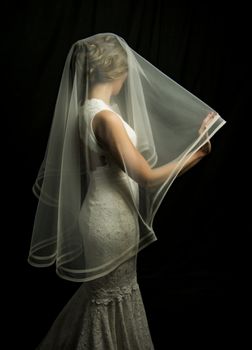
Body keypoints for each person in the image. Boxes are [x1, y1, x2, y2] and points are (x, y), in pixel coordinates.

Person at [28, 33, 226, 349]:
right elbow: (146, 177)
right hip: (111, 220)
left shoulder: (85, 111)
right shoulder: (105, 117)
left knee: (106, 296)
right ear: (117, 72)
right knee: (108, 298)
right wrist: (197, 153)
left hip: (104, 214)